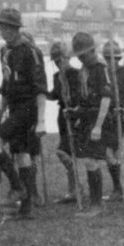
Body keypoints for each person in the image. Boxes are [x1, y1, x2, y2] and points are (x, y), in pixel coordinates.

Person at [0, 8, 47, 219]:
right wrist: (2, 107)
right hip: (13, 107)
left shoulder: (31, 52)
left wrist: (41, 121)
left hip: (28, 108)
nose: (2, 32)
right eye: (0, 27)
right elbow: (6, 83)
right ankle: (26, 207)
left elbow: (40, 89)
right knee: (22, 155)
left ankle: (17, 187)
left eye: (5, 28)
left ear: (15, 29)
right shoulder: (4, 52)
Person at [69, 32, 112, 217]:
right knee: (87, 159)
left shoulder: (101, 68)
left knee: (91, 160)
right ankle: (95, 202)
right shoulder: (83, 70)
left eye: (84, 54)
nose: (81, 58)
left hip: (99, 119)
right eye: (79, 55)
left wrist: (98, 126)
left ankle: (97, 205)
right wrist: (76, 111)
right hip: (86, 118)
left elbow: (106, 99)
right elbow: (84, 97)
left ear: (92, 50)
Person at [101, 40, 124, 202]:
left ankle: (120, 187)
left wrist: (122, 104)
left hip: (118, 117)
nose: (112, 63)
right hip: (105, 116)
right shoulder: (103, 73)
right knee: (110, 153)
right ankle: (119, 187)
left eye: (115, 59)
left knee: (110, 152)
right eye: (108, 59)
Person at [47, 40, 82, 204]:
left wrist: (75, 112)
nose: (58, 63)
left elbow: (79, 96)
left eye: (60, 59)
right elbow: (54, 94)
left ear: (67, 58)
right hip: (62, 115)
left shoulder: (76, 74)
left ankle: (76, 188)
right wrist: (41, 93)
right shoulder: (57, 76)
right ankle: (73, 189)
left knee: (65, 151)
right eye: (55, 60)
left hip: (74, 115)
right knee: (66, 150)